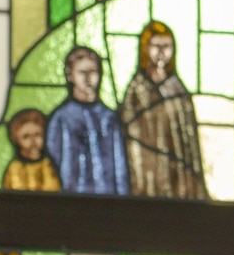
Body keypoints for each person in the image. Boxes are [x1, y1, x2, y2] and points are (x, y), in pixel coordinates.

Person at [120, 20, 208, 199]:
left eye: (167, 46)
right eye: (156, 45)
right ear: (145, 48)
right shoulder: (136, 90)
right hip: (146, 167)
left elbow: (188, 142)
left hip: (176, 170)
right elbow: (129, 130)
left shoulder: (178, 91)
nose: (161, 52)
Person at [47, 46, 131, 195]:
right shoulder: (61, 118)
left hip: (108, 202)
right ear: (70, 75)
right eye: (82, 72)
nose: (88, 78)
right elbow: (53, 162)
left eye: (92, 72)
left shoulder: (109, 117)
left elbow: (120, 166)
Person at [2, 109, 61, 192]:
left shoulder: (48, 165)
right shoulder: (14, 168)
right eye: (26, 136)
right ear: (15, 139)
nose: (33, 142)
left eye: (38, 134)